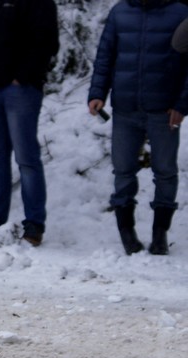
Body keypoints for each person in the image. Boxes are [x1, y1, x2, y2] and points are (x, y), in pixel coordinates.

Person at [89, 0, 188, 256]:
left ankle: (159, 235)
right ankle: (127, 233)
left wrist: (182, 104)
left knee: (165, 171)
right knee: (123, 171)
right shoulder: (120, 12)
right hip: (125, 108)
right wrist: (97, 92)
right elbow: (105, 55)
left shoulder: (181, 12)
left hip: (164, 110)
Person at [0, 0, 59, 246]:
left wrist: (23, 76)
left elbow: (46, 39)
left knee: (26, 158)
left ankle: (34, 224)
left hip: (19, 90)